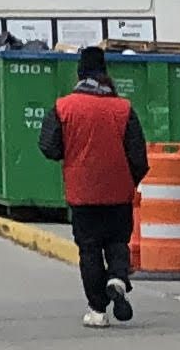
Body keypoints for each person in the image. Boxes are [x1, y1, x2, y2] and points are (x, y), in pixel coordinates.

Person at [45, 48, 151, 327]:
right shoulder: (123, 109)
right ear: (105, 73)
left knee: (89, 250)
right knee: (118, 242)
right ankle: (117, 276)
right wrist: (130, 181)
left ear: (79, 73)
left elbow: (49, 147)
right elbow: (139, 156)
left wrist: (73, 156)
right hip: (118, 192)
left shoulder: (63, 107)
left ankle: (97, 311)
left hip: (82, 193)